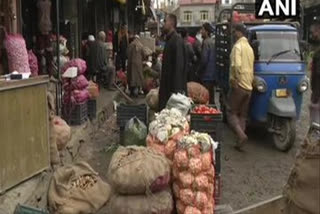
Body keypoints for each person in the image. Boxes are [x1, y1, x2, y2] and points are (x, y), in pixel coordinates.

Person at [227, 24, 254, 150]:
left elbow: (236, 66)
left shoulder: (238, 47)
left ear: (239, 33)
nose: (233, 34)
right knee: (243, 115)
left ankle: (241, 135)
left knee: (231, 113)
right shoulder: (249, 48)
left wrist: (235, 80)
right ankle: (240, 141)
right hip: (249, 86)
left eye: (234, 32)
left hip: (239, 85)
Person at [159, 14, 187, 111]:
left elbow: (179, 67)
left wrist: (176, 92)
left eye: (165, 21)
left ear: (171, 23)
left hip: (173, 91)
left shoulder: (177, 40)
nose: (163, 24)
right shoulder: (170, 39)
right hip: (167, 89)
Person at [198, 23, 216, 104]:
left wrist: (198, 71)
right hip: (212, 74)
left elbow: (204, 60)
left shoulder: (206, 43)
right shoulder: (212, 42)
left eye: (202, 30)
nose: (201, 32)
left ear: (206, 31)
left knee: (205, 98)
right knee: (211, 97)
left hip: (206, 75)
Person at [309, 21, 320, 125]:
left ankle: (314, 136)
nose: (312, 35)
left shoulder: (318, 52)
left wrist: (316, 94)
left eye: (314, 32)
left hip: (317, 91)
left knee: (315, 111)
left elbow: (318, 74)